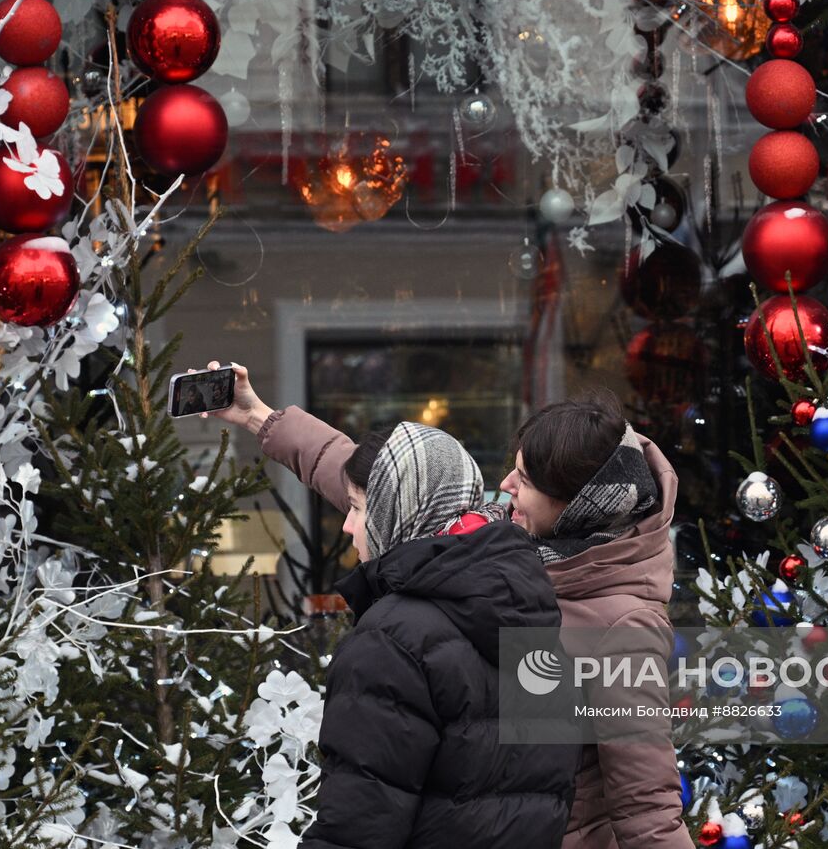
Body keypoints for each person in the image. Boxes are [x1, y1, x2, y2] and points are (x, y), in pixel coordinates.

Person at [190, 361, 579, 849]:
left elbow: (357, 827)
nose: (349, 527)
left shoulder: (394, 641)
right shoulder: (533, 608)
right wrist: (260, 418)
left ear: (397, 515)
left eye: (356, 509)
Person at [497, 392, 693, 849]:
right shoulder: (529, 556)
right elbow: (394, 496)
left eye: (524, 479)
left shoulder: (623, 628)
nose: (506, 484)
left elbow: (647, 808)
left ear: (576, 506)